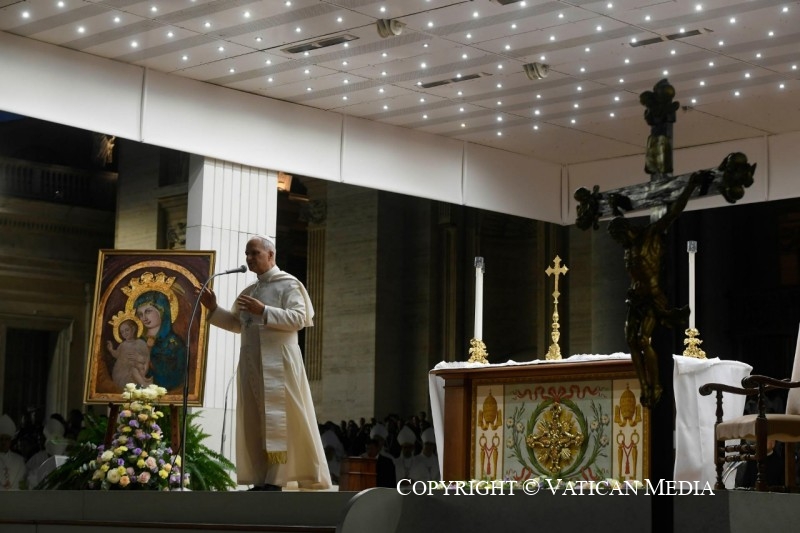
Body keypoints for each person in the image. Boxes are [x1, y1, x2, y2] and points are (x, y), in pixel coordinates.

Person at [199, 236, 331, 491]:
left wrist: (264, 311)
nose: (249, 258)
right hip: (252, 364)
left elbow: (299, 319)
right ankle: (261, 478)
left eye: (254, 253)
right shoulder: (251, 290)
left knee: (280, 420)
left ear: (270, 255)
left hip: (279, 363)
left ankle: (277, 479)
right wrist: (213, 308)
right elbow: (237, 324)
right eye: (247, 254)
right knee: (255, 420)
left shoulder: (288, 284)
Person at [607, 170, 707, 408]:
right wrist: (613, 205)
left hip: (653, 297)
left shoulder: (650, 235)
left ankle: (656, 385)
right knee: (631, 340)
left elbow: (673, 212)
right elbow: (617, 218)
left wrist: (690, 187)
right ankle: (644, 384)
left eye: (619, 238)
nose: (620, 244)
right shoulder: (629, 244)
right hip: (635, 298)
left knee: (643, 340)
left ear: (625, 231)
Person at [134, 290, 187, 391]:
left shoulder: (174, 343)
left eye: (148, 311)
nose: (144, 318)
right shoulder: (138, 341)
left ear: (162, 310)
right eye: (140, 314)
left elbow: (178, 375)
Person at [106, 318, 152, 389]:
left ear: (133, 329)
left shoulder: (141, 343)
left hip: (138, 369)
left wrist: (139, 358)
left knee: (136, 369)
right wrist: (111, 350)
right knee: (133, 370)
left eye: (127, 330)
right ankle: (143, 383)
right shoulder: (123, 345)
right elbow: (117, 355)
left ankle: (143, 382)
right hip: (122, 372)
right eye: (122, 332)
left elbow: (147, 358)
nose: (125, 333)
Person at [0, 414, 26, 490]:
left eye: (7, 439)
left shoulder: (19, 460)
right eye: (1, 439)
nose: (3, 442)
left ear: (10, 441)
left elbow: (22, 485)